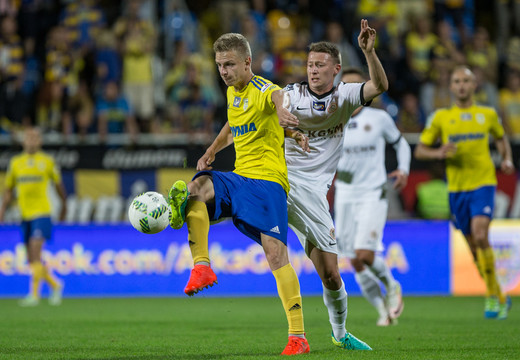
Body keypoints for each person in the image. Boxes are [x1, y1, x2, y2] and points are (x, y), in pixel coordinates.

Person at [167, 33, 309, 355]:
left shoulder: (263, 89)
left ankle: (298, 336)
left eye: (229, 64)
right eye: (219, 65)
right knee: (197, 187)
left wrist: (286, 117)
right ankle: (201, 266)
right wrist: (212, 150)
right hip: (240, 178)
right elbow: (232, 126)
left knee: (275, 255)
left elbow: (277, 98)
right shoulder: (232, 93)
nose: (224, 71)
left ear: (247, 62)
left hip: (269, 183)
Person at [278, 19, 388, 348]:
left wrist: (369, 53)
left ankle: (340, 335)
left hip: (315, 194)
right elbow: (263, 116)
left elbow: (379, 86)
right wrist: (286, 127)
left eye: (320, 65)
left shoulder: (345, 97)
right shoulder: (289, 95)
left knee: (331, 273)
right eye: (310, 64)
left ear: (336, 68)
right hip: (284, 182)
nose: (313, 70)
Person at [414, 66, 515, 319]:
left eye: (465, 81)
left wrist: (507, 158)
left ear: (474, 85)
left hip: (483, 183)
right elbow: (420, 151)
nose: (461, 85)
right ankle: (500, 294)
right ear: (451, 86)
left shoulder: (488, 114)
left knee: (481, 236)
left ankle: (492, 298)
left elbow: (501, 138)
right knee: (472, 246)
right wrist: (439, 152)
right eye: (456, 81)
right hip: (457, 188)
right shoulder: (440, 117)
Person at [333, 68, 411, 327]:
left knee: (365, 254)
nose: (353, 91)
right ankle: (382, 311)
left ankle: (392, 285)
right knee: (354, 260)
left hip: (372, 192)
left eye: (358, 86)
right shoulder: (332, 119)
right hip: (344, 193)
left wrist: (403, 168)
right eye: (347, 86)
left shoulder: (378, 118)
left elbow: (401, 143)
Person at [0, 127, 67, 306]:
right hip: (24, 214)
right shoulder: (15, 162)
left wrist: (64, 206)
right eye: (28, 137)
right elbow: (8, 190)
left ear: (40, 141)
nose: (31, 140)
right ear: (23, 141)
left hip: (43, 212)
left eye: (35, 137)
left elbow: (59, 185)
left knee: (36, 251)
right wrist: (2, 210)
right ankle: (56, 284)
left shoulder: (47, 161)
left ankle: (34, 295)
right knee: (31, 258)